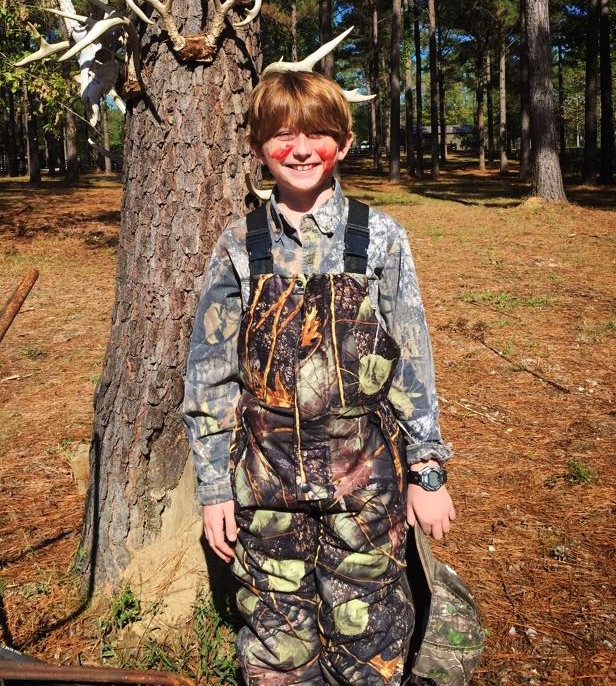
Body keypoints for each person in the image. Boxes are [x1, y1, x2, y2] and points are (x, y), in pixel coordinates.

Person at [183, 69, 456, 686]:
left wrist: (427, 471)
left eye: (318, 135)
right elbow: (209, 377)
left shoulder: (379, 239)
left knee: (369, 638)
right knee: (277, 645)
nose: (301, 150)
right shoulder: (239, 245)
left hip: (366, 483)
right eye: (283, 135)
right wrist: (214, 487)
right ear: (257, 148)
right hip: (264, 485)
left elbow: (412, 362)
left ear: (345, 143)